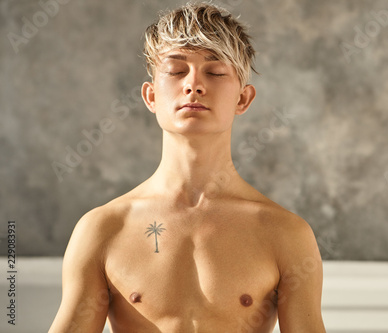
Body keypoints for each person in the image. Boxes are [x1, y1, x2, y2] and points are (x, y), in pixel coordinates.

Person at [49, 2, 325, 332]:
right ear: (151, 96)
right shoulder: (103, 229)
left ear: (243, 99)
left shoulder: (285, 234)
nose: (193, 85)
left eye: (216, 72)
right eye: (176, 71)